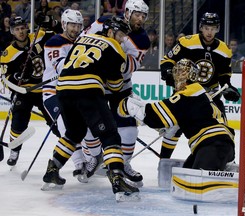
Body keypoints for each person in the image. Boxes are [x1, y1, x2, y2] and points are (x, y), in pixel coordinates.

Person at [41, 16, 140, 202]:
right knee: (110, 135)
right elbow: (116, 85)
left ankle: (52, 170)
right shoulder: (114, 46)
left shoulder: (82, 39)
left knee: (73, 132)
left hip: (62, 90)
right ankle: (118, 179)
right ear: (110, 31)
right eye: (119, 34)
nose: (121, 39)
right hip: (87, 90)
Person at [118, 58, 235, 171]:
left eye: (181, 72)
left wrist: (127, 105)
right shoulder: (200, 93)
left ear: (190, 75)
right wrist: (164, 158)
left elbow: (152, 117)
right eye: (177, 72)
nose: (177, 76)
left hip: (212, 146)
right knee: (183, 175)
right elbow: (173, 130)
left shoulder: (185, 95)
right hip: (217, 145)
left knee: (195, 186)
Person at [81, 0, 150, 186]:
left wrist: (113, 54)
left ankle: (124, 163)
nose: (140, 19)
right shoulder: (104, 21)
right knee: (88, 122)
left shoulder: (142, 38)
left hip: (121, 86)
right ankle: (94, 159)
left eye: (143, 16)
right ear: (127, 12)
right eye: (137, 14)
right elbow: (83, 39)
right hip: (97, 84)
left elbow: (130, 67)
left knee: (128, 127)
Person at [159, 12, 240, 159]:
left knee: (223, 127)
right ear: (201, 27)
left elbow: (224, 76)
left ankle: (226, 159)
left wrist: (228, 88)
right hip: (186, 93)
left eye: (213, 28)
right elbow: (167, 60)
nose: (209, 32)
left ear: (217, 29)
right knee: (173, 127)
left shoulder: (224, 50)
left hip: (211, 96)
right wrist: (168, 72)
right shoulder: (186, 42)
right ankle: (163, 160)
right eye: (207, 28)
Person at [42, 9, 100, 183]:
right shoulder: (55, 42)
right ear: (64, 25)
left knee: (87, 126)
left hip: (75, 92)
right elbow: (61, 67)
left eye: (78, 25)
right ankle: (79, 164)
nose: (75, 29)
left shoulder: (83, 42)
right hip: (54, 92)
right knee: (66, 130)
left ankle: (96, 157)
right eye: (72, 25)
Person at [0, 16, 57, 166]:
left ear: (27, 28)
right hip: (24, 92)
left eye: (22, 28)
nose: (21, 31)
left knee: (57, 121)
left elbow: (56, 33)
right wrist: (16, 77)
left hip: (44, 88)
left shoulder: (38, 36)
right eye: (17, 29)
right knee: (18, 121)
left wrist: (49, 21)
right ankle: (15, 150)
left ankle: (72, 147)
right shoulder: (8, 54)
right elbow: (4, 78)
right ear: (12, 32)